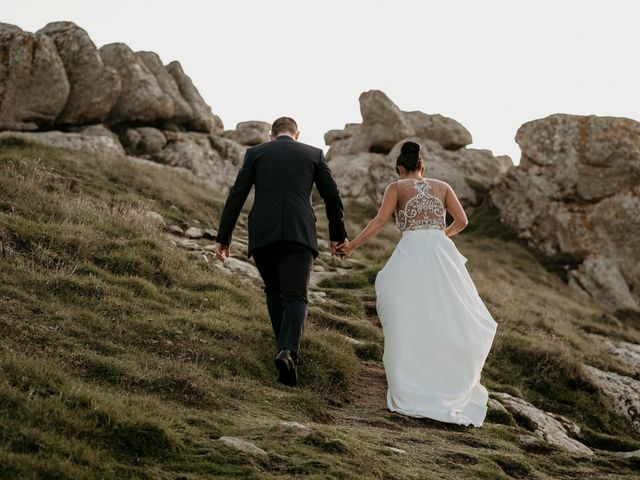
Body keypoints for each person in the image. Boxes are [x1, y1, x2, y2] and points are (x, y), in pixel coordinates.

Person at [338, 141, 497, 427]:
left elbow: (380, 221)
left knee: (405, 308)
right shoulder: (443, 186)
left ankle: (411, 375)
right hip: (441, 251)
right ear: (423, 167)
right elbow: (462, 221)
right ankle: (444, 377)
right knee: (447, 312)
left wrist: (352, 246)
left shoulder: (396, 188)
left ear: (400, 168)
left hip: (411, 250)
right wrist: (440, 236)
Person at [215, 117, 347, 387]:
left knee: (274, 291)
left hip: (264, 232)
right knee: (296, 295)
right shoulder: (313, 154)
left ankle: (283, 353)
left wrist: (224, 237)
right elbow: (332, 197)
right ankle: (288, 352)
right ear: (296, 134)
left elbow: (236, 195)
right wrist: (337, 235)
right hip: (299, 233)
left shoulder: (256, 153)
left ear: (271, 135)